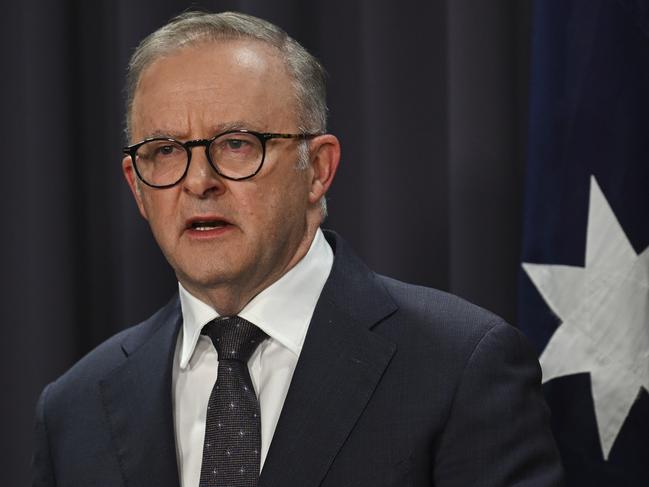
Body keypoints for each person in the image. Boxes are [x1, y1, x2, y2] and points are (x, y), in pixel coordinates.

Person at [32, 11, 564, 487]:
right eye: (165, 151)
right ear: (137, 186)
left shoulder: (461, 367)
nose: (198, 181)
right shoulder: (75, 409)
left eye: (236, 144)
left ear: (319, 170)